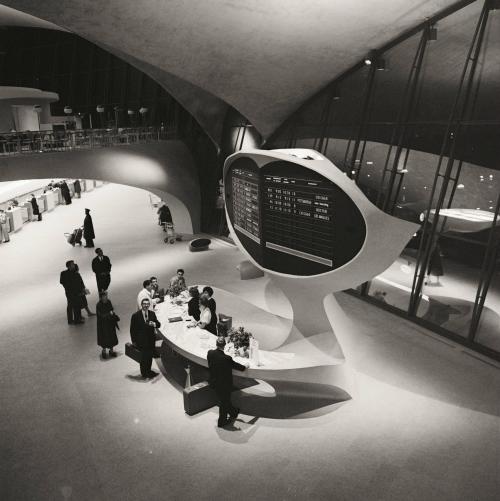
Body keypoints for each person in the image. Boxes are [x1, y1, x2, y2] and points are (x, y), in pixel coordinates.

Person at [207, 336, 248, 428]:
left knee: (224, 400)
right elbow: (238, 367)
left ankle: (233, 412)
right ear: (224, 346)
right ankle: (222, 422)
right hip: (224, 385)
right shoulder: (227, 358)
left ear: (216, 344)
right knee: (224, 402)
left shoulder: (210, 353)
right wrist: (245, 366)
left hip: (214, 382)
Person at [130, 298, 161, 378]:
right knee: (143, 357)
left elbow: (158, 324)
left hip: (150, 340)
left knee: (149, 357)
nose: (146, 305)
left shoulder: (152, 314)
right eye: (144, 304)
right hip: (141, 341)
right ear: (141, 304)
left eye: (147, 304)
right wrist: (134, 341)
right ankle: (144, 373)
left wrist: (153, 324)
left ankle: (149, 371)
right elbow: (132, 330)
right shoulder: (135, 316)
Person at [59, 260, 84, 325]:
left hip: (77, 292)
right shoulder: (64, 273)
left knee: (77, 305)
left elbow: (81, 282)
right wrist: (68, 288)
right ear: (69, 266)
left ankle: (77, 319)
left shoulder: (76, 273)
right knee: (70, 305)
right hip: (70, 292)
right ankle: (71, 320)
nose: (74, 265)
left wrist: (82, 289)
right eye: (72, 264)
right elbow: (62, 282)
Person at [96, 291, 119, 359]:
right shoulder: (98, 305)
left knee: (112, 336)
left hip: (110, 323)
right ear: (101, 297)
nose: (106, 297)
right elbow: (100, 315)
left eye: (106, 296)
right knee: (104, 337)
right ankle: (104, 351)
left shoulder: (109, 302)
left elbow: (111, 309)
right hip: (102, 325)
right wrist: (109, 314)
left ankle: (111, 351)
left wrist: (111, 313)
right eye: (104, 296)